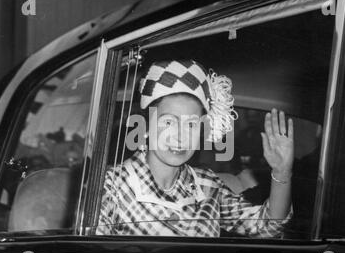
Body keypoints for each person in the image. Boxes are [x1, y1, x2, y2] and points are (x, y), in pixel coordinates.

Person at [96, 60, 294, 237]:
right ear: (146, 125)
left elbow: (266, 227)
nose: (181, 136)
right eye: (168, 122)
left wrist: (281, 171)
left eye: (191, 124)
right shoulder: (112, 185)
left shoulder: (207, 185)